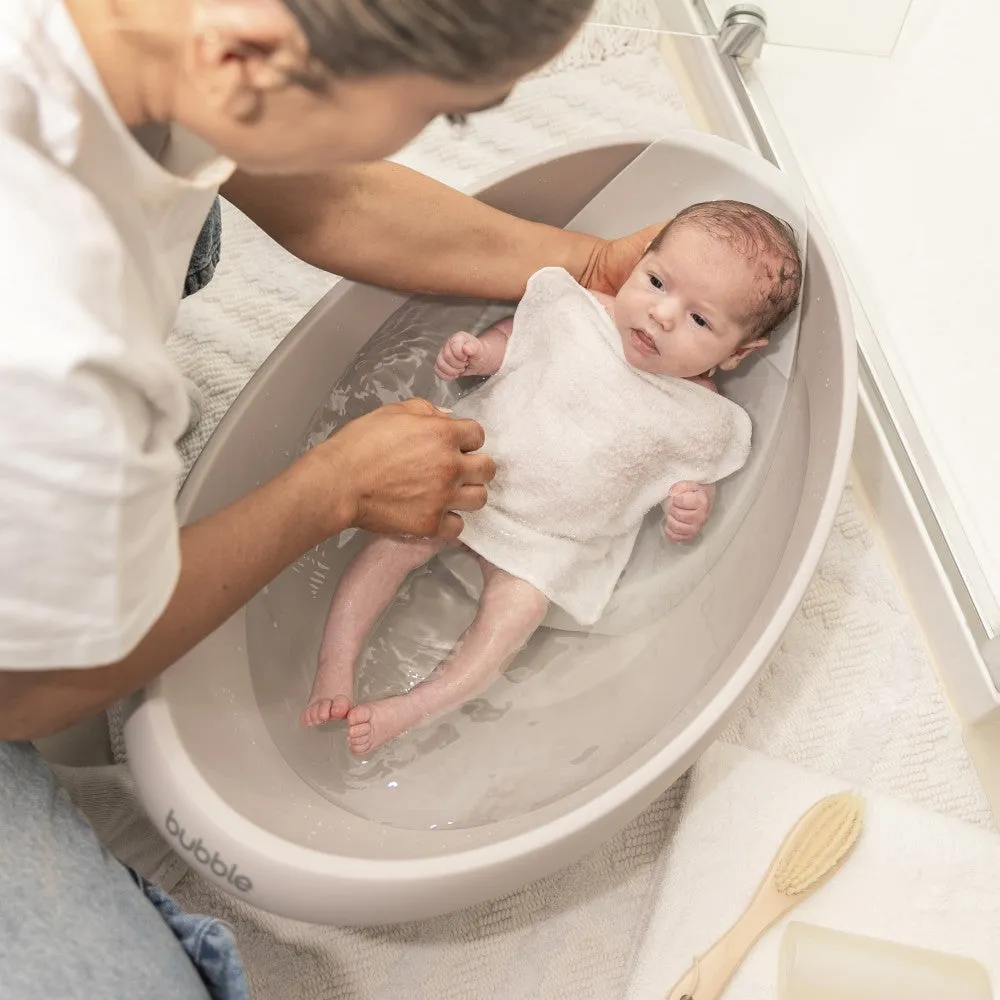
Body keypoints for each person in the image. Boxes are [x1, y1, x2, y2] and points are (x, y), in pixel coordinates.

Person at [0, 0, 674, 997]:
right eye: (447, 114)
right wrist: (327, 490)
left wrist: (584, 269)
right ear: (244, 59)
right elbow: (30, 689)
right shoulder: (53, 347)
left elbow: (317, 189)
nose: (449, 126)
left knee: (194, 227)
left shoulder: (153, 42)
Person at [302, 200, 803, 754]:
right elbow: (517, 340)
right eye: (657, 281)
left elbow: (692, 479)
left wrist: (690, 507)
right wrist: (479, 353)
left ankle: (412, 706)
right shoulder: (578, 312)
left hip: (549, 544)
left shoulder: (701, 414)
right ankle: (335, 661)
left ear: (739, 352)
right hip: (470, 479)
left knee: (512, 623)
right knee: (391, 544)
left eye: (700, 319)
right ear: (641, 261)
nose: (662, 314)